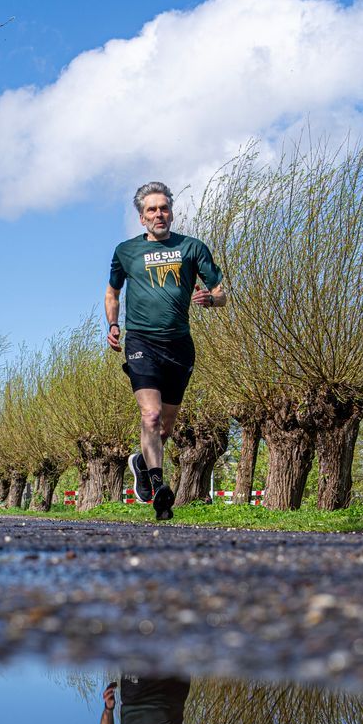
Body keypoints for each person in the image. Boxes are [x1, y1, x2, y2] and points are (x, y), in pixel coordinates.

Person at [105, 182, 227, 521]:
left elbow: (221, 293)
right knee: (151, 416)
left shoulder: (192, 247)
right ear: (142, 218)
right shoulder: (126, 251)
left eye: (164, 208)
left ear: (171, 212)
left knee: (165, 427)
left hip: (179, 345)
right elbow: (112, 293)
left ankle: (141, 463)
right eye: (152, 210)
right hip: (141, 341)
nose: (159, 214)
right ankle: (160, 490)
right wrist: (114, 326)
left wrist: (210, 299)